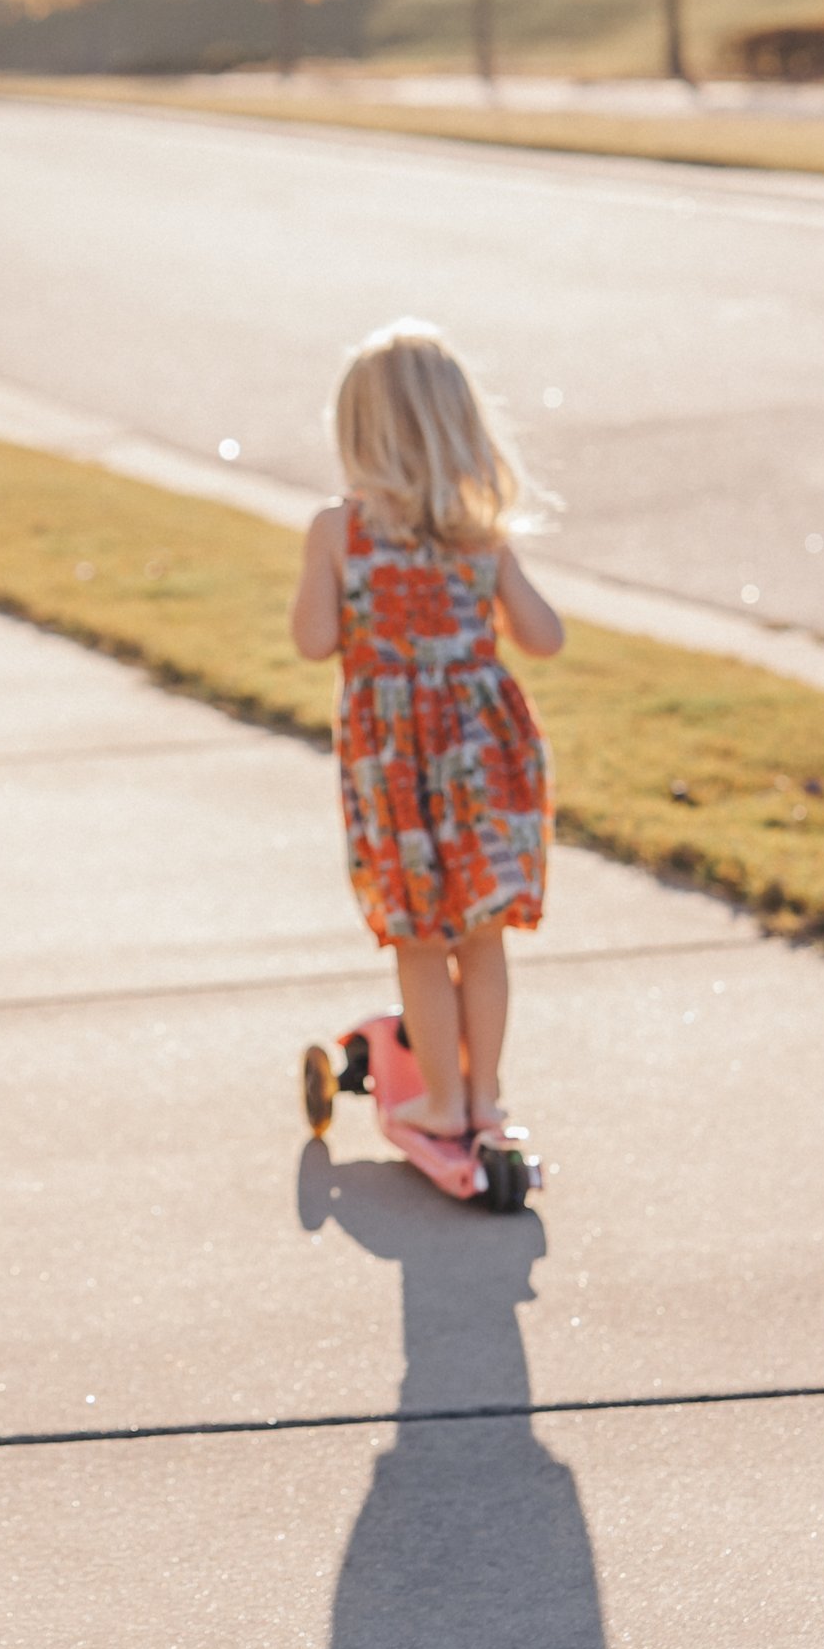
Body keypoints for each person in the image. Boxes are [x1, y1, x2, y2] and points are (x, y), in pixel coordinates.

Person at [289, 320, 563, 1144]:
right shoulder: (481, 533)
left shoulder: (341, 532)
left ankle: (442, 1101)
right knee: (480, 936)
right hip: (485, 760)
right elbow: (545, 638)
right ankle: (485, 1099)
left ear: (357, 431)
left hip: (396, 767)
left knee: (419, 937)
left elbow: (312, 641)